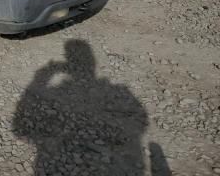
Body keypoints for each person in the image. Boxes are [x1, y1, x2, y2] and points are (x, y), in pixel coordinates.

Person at [13, 39, 167, 175]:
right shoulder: (119, 91)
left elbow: (19, 129)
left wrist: (44, 73)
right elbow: (142, 122)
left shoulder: (63, 91)